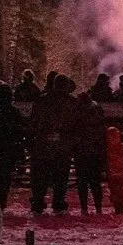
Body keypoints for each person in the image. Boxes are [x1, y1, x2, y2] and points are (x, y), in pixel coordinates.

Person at [29, 74, 80, 215]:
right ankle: (58, 203)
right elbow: (76, 124)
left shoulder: (42, 100)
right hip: (63, 143)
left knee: (40, 175)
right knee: (61, 175)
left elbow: (34, 121)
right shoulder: (73, 102)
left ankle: (38, 202)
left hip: (43, 143)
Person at [72, 89, 110, 214]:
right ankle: (98, 207)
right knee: (95, 180)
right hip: (95, 149)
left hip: (81, 149)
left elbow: (74, 128)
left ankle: (84, 208)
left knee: (82, 180)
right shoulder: (96, 108)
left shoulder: (77, 110)